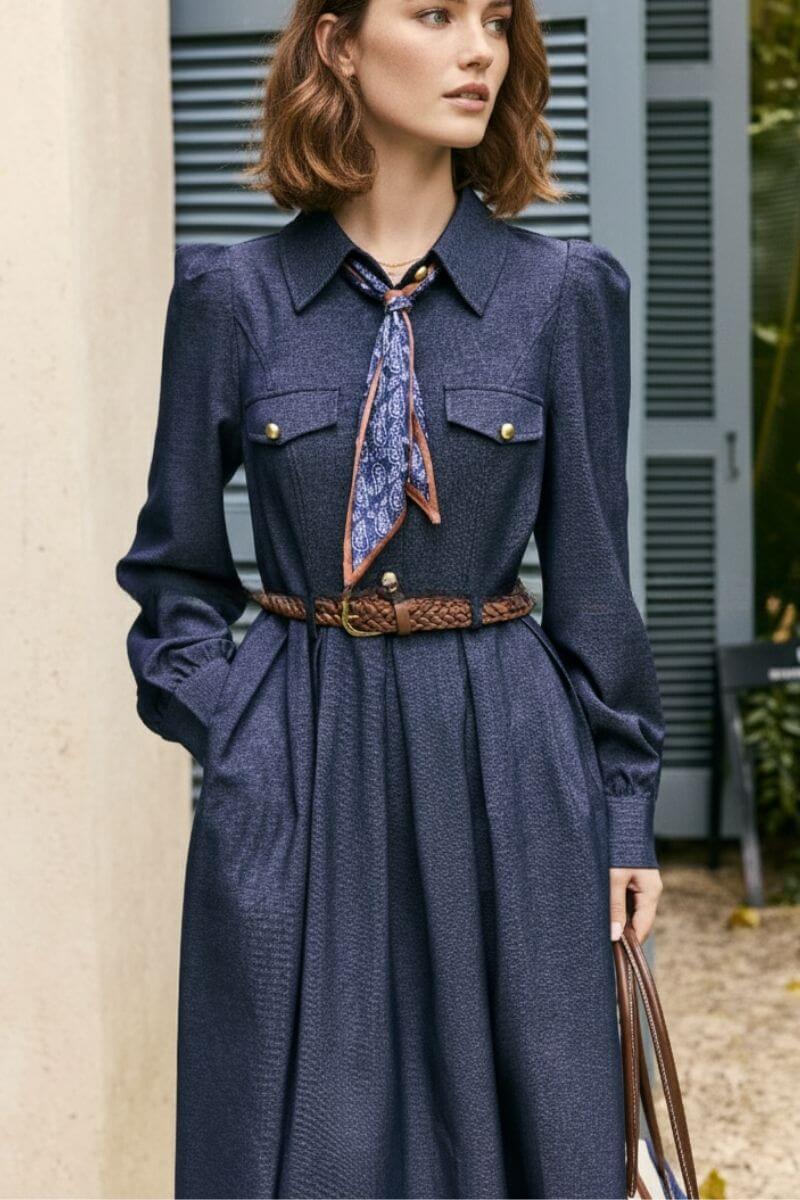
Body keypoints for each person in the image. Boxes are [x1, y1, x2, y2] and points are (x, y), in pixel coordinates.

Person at [115, 0, 666, 1196]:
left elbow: (592, 577)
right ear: (335, 42)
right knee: (299, 1136)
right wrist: (246, 723)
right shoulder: (229, 299)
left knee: (537, 1138)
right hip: (299, 770)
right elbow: (171, 578)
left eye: (496, 22)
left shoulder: (562, 294)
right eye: (434, 13)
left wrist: (622, 806)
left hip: (511, 767)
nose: (480, 50)